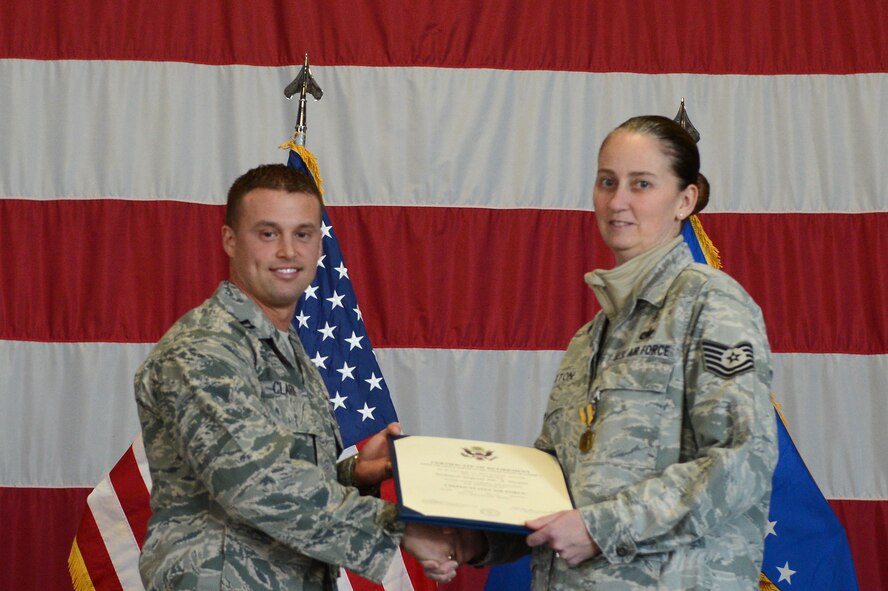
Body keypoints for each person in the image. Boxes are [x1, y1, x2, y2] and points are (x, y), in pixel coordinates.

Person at [452, 115, 778, 589]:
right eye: (607, 182)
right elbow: (556, 491)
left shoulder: (710, 304)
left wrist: (601, 528)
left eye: (641, 184)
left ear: (684, 201)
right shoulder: (589, 338)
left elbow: (743, 460)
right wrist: (475, 544)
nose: (617, 201)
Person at [134, 164, 457, 590]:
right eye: (268, 234)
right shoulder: (203, 348)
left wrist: (357, 474)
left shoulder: (288, 348)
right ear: (230, 240)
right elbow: (255, 484)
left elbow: (287, 471)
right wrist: (401, 529)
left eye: (303, 234)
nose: (288, 251)